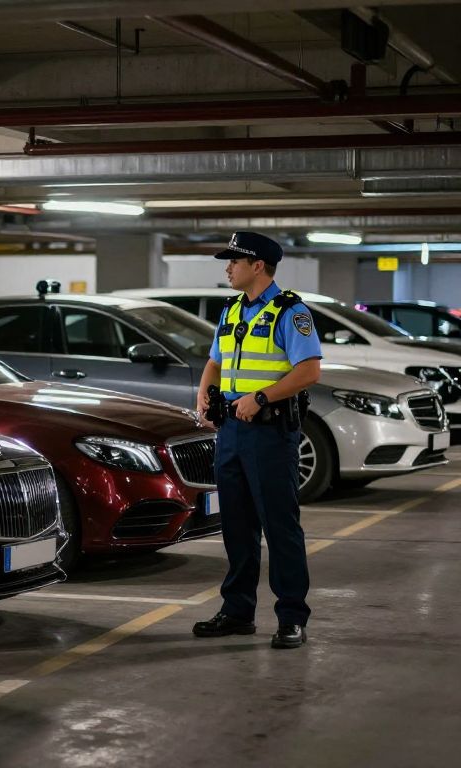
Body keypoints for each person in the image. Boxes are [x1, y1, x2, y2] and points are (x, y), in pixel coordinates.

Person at [192, 231, 322, 649]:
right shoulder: (231, 311)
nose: (227, 268)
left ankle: (291, 617)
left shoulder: (290, 312)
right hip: (230, 433)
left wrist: (261, 397)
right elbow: (215, 361)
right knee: (237, 526)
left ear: (258, 266)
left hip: (269, 433)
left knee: (279, 527)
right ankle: (237, 611)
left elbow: (309, 370)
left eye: (234, 261)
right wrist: (203, 399)